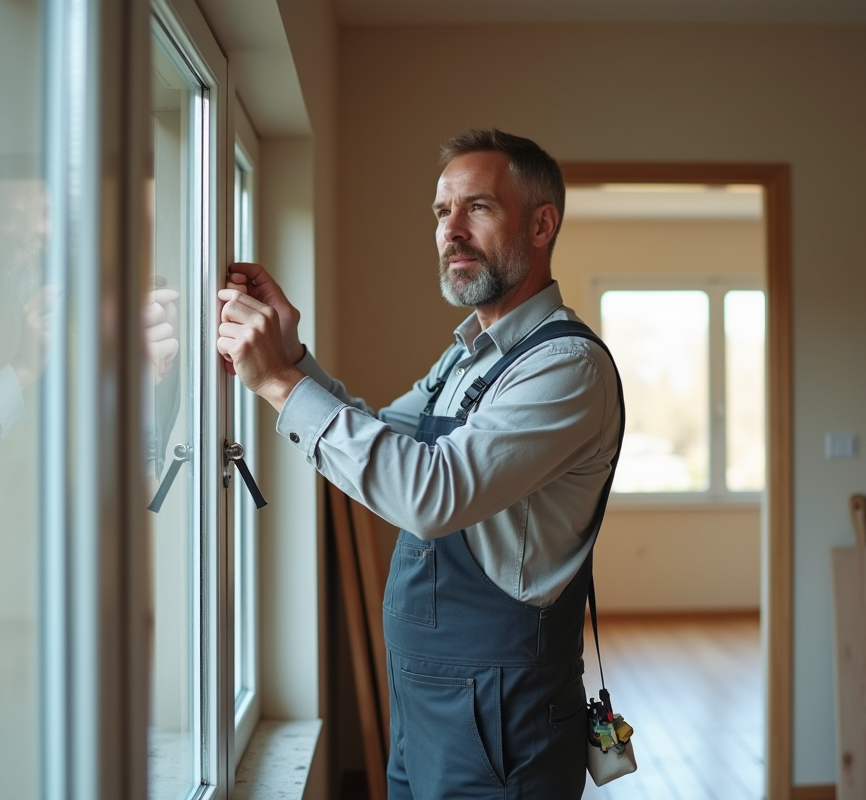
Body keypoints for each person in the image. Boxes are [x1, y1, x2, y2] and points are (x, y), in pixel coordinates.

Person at [216, 129, 623, 799]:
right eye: (441, 211)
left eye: (478, 207)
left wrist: (277, 385)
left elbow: (430, 497)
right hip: (425, 697)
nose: (451, 230)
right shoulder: (467, 356)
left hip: (502, 715)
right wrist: (291, 356)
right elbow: (382, 437)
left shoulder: (566, 367)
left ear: (542, 224)